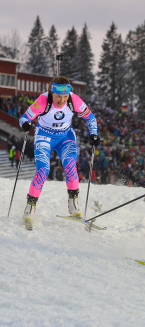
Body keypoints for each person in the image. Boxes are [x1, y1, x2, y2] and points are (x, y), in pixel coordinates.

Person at [18, 76, 101, 229]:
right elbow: (24, 118)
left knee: (70, 166)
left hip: (65, 137)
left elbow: (91, 117)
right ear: (52, 92)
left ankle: (73, 204)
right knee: (43, 170)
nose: (62, 100)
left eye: (64, 97)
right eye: (58, 96)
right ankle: (30, 208)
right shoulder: (43, 100)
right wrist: (26, 124)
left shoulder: (74, 100)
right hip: (44, 136)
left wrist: (94, 134)